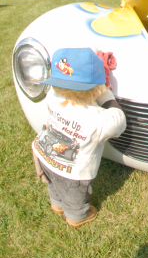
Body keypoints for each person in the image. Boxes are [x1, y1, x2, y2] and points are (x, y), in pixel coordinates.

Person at [32, 47, 127, 229]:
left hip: (46, 155)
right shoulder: (96, 119)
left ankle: (56, 203)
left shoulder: (53, 98)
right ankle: (77, 216)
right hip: (72, 172)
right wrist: (106, 95)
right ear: (95, 88)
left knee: (53, 184)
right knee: (74, 195)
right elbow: (119, 120)